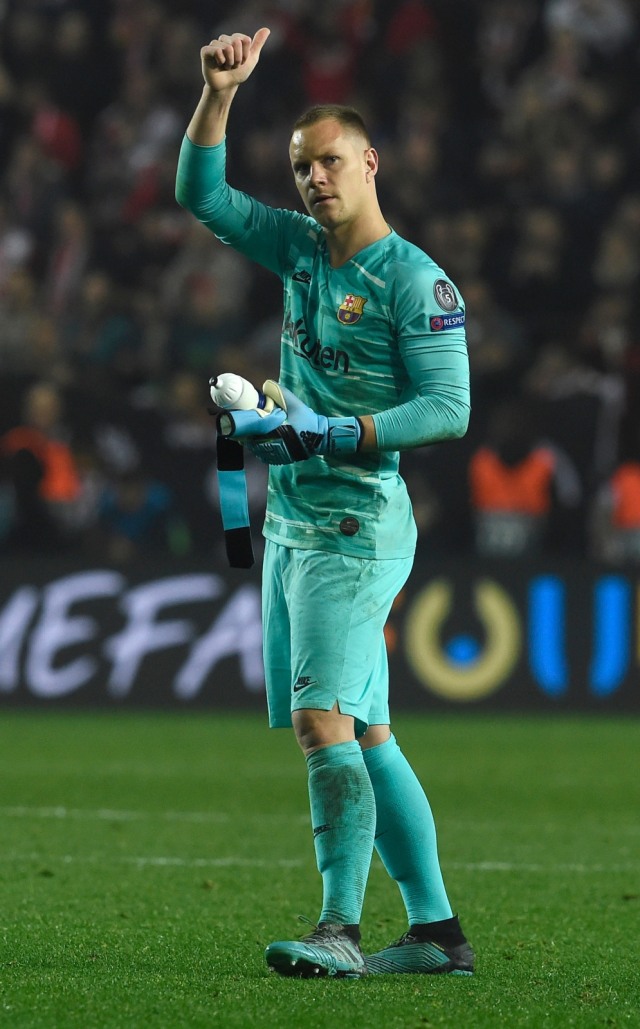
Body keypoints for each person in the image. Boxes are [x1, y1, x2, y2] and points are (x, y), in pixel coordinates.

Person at [176, 28, 473, 979]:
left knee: (323, 726)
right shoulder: (300, 251)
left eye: (331, 162)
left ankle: (338, 929)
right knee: (371, 733)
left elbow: (448, 408)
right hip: (295, 524)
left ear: (370, 161)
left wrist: (330, 430)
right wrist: (220, 95)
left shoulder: (415, 282)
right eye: (302, 167)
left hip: (356, 521)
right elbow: (203, 196)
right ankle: (435, 935)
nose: (314, 181)